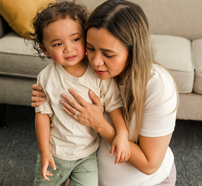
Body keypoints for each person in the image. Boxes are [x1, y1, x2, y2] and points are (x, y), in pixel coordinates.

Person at [31, 0, 179, 185]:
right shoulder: (87, 68)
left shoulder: (157, 86)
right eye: (90, 49)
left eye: (108, 54)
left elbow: (149, 165)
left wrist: (100, 124)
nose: (96, 62)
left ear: (132, 52)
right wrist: (44, 94)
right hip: (82, 171)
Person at [27, 1, 130, 185]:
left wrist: (121, 133)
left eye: (75, 39)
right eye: (58, 44)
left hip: (87, 156)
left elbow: (115, 106)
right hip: (55, 153)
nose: (69, 49)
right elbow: (42, 116)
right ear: (45, 50)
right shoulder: (45, 77)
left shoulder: (98, 73)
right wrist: (44, 152)